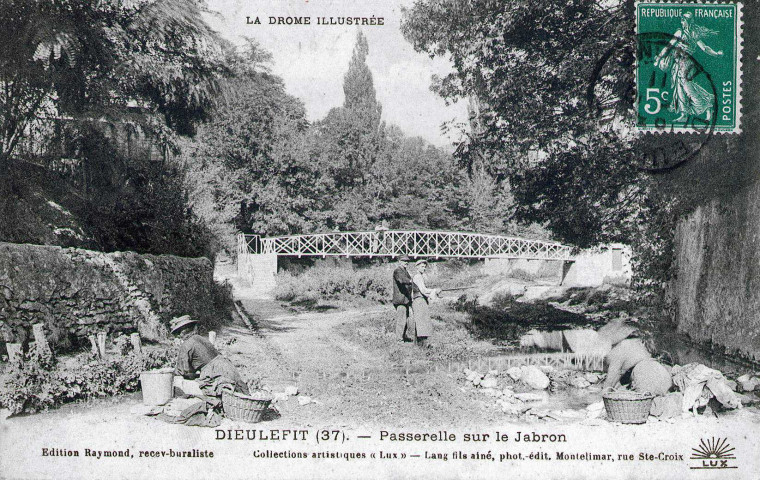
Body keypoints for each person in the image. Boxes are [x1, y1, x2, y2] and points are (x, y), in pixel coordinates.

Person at [654, 11, 723, 122]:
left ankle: (708, 106)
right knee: (679, 87)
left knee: (687, 87)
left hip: (686, 63)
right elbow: (669, 46)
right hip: (677, 63)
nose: (682, 22)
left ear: (688, 22)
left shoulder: (693, 34)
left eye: (684, 20)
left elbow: (704, 48)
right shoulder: (681, 32)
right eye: (682, 20)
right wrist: (659, 57)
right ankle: (684, 114)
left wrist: (716, 54)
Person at [171, 315, 249, 396]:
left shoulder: (186, 345)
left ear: (182, 332)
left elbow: (183, 371)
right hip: (228, 367)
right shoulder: (201, 338)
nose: (178, 336)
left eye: (178, 333)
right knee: (238, 394)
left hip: (215, 373)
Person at [410, 260, 441, 347]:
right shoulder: (418, 277)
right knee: (422, 321)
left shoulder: (419, 276)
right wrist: (434, 290)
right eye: (422, 267)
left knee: (420, 321)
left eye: (424, 267)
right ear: (417, 267)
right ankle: (423, 344)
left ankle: (419, 344)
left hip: (419, 300)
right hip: (419, 300)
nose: (424, 268)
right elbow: (423, 290)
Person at [392, 256, 415, 342]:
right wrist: (411, 281)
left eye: (407, 261)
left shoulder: (405, 271)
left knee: (406, 319)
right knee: (401, 320)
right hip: (400, 300)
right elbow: (401, 280)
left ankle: (403, 336)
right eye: (404, 261)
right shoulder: (397, 271)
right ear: (399, 261)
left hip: (405, 299)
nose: (406, 263)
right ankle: (399, 339)